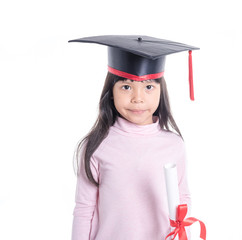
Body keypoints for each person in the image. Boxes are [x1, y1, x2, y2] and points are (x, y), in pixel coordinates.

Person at [69, 35, 199, 240]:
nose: (138, 98)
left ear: (161, 92)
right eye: (126, 87)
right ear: (111, 92)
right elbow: (85, 210)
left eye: (149, 87)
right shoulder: (96, 145)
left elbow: (182, 201)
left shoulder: (174, 145)